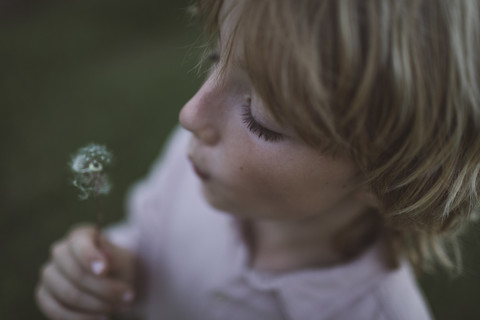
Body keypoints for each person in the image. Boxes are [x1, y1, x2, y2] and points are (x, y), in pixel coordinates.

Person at [35, 0, 480, 319]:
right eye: (216, 59)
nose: (190, 114)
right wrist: (116, 268)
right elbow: (150, 237)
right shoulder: (193, 166)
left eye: (261, 117)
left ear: (392, 180)